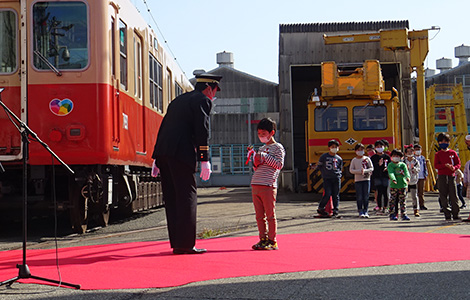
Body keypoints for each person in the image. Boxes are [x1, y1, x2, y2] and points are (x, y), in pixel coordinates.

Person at [152, 73, 222, 254]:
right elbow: (202, 130)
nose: (214, 95)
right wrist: (204, 158)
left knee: (172, 198)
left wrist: (156, 158)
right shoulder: (202, 101)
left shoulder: (177, 101)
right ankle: (186, 244)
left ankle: (177, 242)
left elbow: (164, 127)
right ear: (208, 88)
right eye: (214, 91)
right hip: (181, 154)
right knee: (187, 197)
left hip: (164, 153)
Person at [251, 118, 285, 250]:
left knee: (270, 215)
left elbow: (279, 165)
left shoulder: (278, 148)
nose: (261, 136)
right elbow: (257, 167)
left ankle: (272, 240)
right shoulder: (262, 148)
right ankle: (262, 239)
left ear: (272, 133)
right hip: (256, 184)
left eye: (263, 134)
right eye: (259, 134)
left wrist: (265, 157)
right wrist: (256, 161)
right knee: (259, 216)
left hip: (268, 185)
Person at [434, 132, 461, 221]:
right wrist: (444, 166)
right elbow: (436, 165)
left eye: (445, 141)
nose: (443, 143)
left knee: (453, 195)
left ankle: (456, 213)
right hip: (442, 176)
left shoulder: (452, 153)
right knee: (443, 195)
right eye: (441, 141)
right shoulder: (438, 154)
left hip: (451, 175)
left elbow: (458, 164)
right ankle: (447, 213)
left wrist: (454, 168)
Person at [315, 139, 343, 218]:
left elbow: (340, 168)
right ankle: (321, 207)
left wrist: (339, 175)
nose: (334, 148)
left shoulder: (339, 158)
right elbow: (319, 166)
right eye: (332, 147)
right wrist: (322, 173)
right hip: (327, 178)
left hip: (336, 178)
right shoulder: (324, 156)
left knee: (336, 194)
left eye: (336, 147)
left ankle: (335, 210)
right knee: (327, 193)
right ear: (329, 148)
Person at [349, 143, 374, 218]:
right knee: (359, 196)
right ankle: (360, 210)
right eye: (358, 150)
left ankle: (365, 210)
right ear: (355, 151)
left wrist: (365, 171)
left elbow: (371, 168)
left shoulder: (367, 159)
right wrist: (359, 171)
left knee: (366, 196)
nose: (360, 151)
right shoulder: (354, 160)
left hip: (367, 179)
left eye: (361, 150)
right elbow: (351, 170)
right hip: (358, 180)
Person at [388, 149, 411, 221]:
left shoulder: (403, 165)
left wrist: (408, 177)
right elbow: (391, 172)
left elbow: (406, 172)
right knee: (392, 200)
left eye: (397, 156)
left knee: (402, 201)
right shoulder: (390, 165)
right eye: (394, 156)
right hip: (394, 186)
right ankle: (392, 214)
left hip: (402, 185)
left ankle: (403, 214)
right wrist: (393, 179)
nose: (396, 157)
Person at [370, 140, 391, 213]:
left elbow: (390, 165)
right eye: (378, 147)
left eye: (381, 146)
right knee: (379, 192)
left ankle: (385, 207)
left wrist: (387, 168)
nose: (379, 148)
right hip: (377, 176)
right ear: (375, 148)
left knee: (385, 192)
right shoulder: (373, 157)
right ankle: (379, 207)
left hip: (385, 176)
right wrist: (378, 165)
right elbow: (372, 167)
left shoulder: (387, 156)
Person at [404, 145, 421, 217]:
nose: (410, 153)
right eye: (408, 152)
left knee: (414, 196)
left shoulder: (416, 161)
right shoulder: (403, 161)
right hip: (405, 181)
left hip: (413, 180)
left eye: (411, 151)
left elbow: (418, 170)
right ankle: (403, 210)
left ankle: (416, 210)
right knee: (404, 196)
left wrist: (413, 168)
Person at [413, 144, 428, 210]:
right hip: (414, 177)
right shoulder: (412, 158)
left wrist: (425, 175)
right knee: (414, 192)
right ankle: (416, 205)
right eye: (416, 150)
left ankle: (422, 204)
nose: (417, 151)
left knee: (421, 192)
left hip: (421, 176)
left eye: (419, 150)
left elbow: (425, 167)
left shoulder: (422, 158)